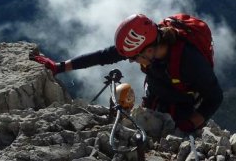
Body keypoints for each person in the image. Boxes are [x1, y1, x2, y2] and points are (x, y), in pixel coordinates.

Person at [33, 14, 224, 133]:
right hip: (157, 95)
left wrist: (192, 123)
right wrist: (59, 67)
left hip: (184, 103)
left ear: (149, 50)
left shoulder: (190, 62)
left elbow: (215, 97)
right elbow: (103, 56)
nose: (132, 61)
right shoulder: (145, 45)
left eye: (134, 58)